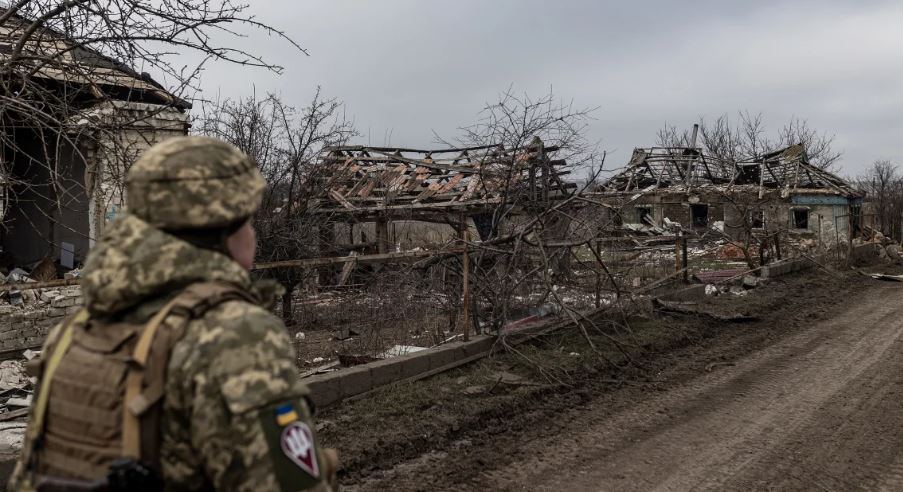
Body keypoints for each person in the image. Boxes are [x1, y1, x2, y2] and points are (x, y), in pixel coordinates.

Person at [9, 136, 337, 491]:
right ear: (221, 230)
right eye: (248, 221)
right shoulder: (232, 336)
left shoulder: (75, 332)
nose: (253, 235)